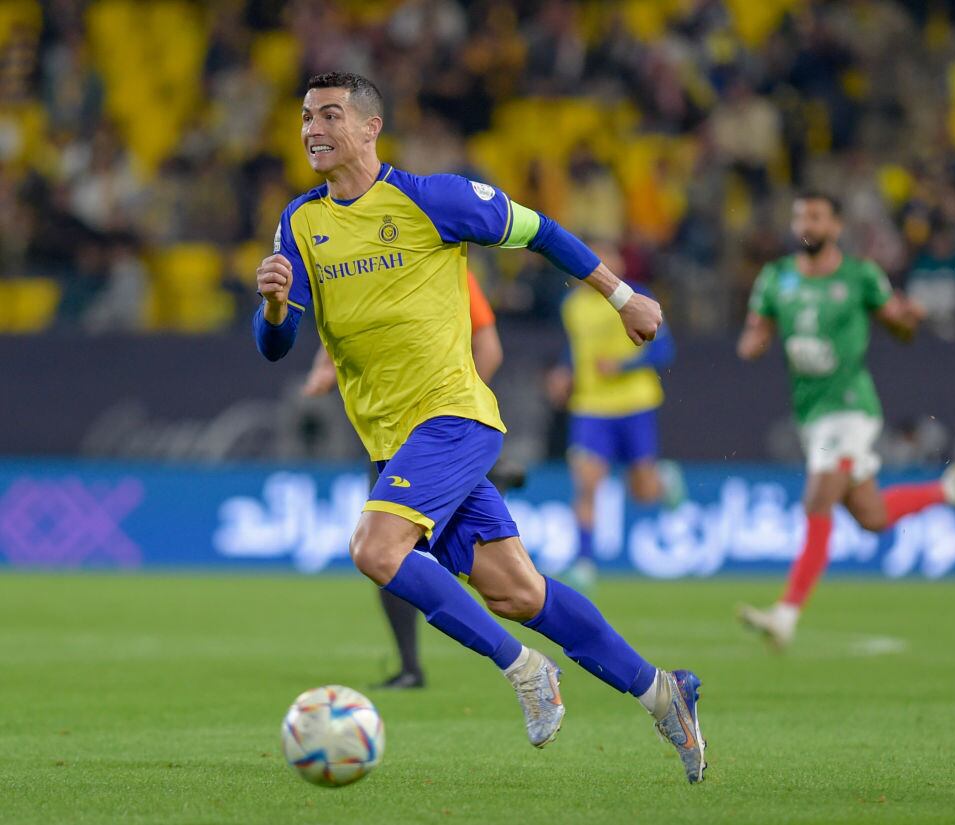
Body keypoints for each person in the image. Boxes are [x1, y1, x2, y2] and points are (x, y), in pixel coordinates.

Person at [253, 73, 706, 782]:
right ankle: (661, 690)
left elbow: (541, 231)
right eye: (307, 115)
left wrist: (623, 296)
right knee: (518, 592)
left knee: (374, 548)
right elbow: (275, 344)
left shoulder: (434, 198)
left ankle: (524, 669)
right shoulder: (301, 222)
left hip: (454, 416)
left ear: (372, 127)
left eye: (331, 115)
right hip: (393, 440)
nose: (314, 127)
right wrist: (276, 306)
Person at [735, 192, 955, 649]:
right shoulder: (776, 279)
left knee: (817, 500)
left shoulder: (859, 275)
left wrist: (907, 316)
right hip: (811, 413)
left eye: (815, 216)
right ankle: (950, 489)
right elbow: (753, 339)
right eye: (799, 217)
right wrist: (754, 341)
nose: (806, 224)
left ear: (836, 226)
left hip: (852, 408)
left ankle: (786, 614)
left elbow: (899, 326)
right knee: (871, 515)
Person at [302, 271, 507, 690]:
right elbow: (345, 332)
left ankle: (510, 658)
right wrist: (326, 366)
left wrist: (460, 414)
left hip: (438, 433)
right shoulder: (368, 267)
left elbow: (488, 347)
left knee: (395, 548)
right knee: (385, 552)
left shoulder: (444, 268)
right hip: (390, 438)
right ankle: (411, 665)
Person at [547, 243, 683, 593]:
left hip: (634, 403)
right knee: (587, 482)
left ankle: (662, 481)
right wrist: (565, 371)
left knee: (642, 491)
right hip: (591, 407)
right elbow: (575, 348)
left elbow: (665, 350)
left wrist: (623, 367)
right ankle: (584, 562)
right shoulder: (572, 306)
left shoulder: (638, 296)